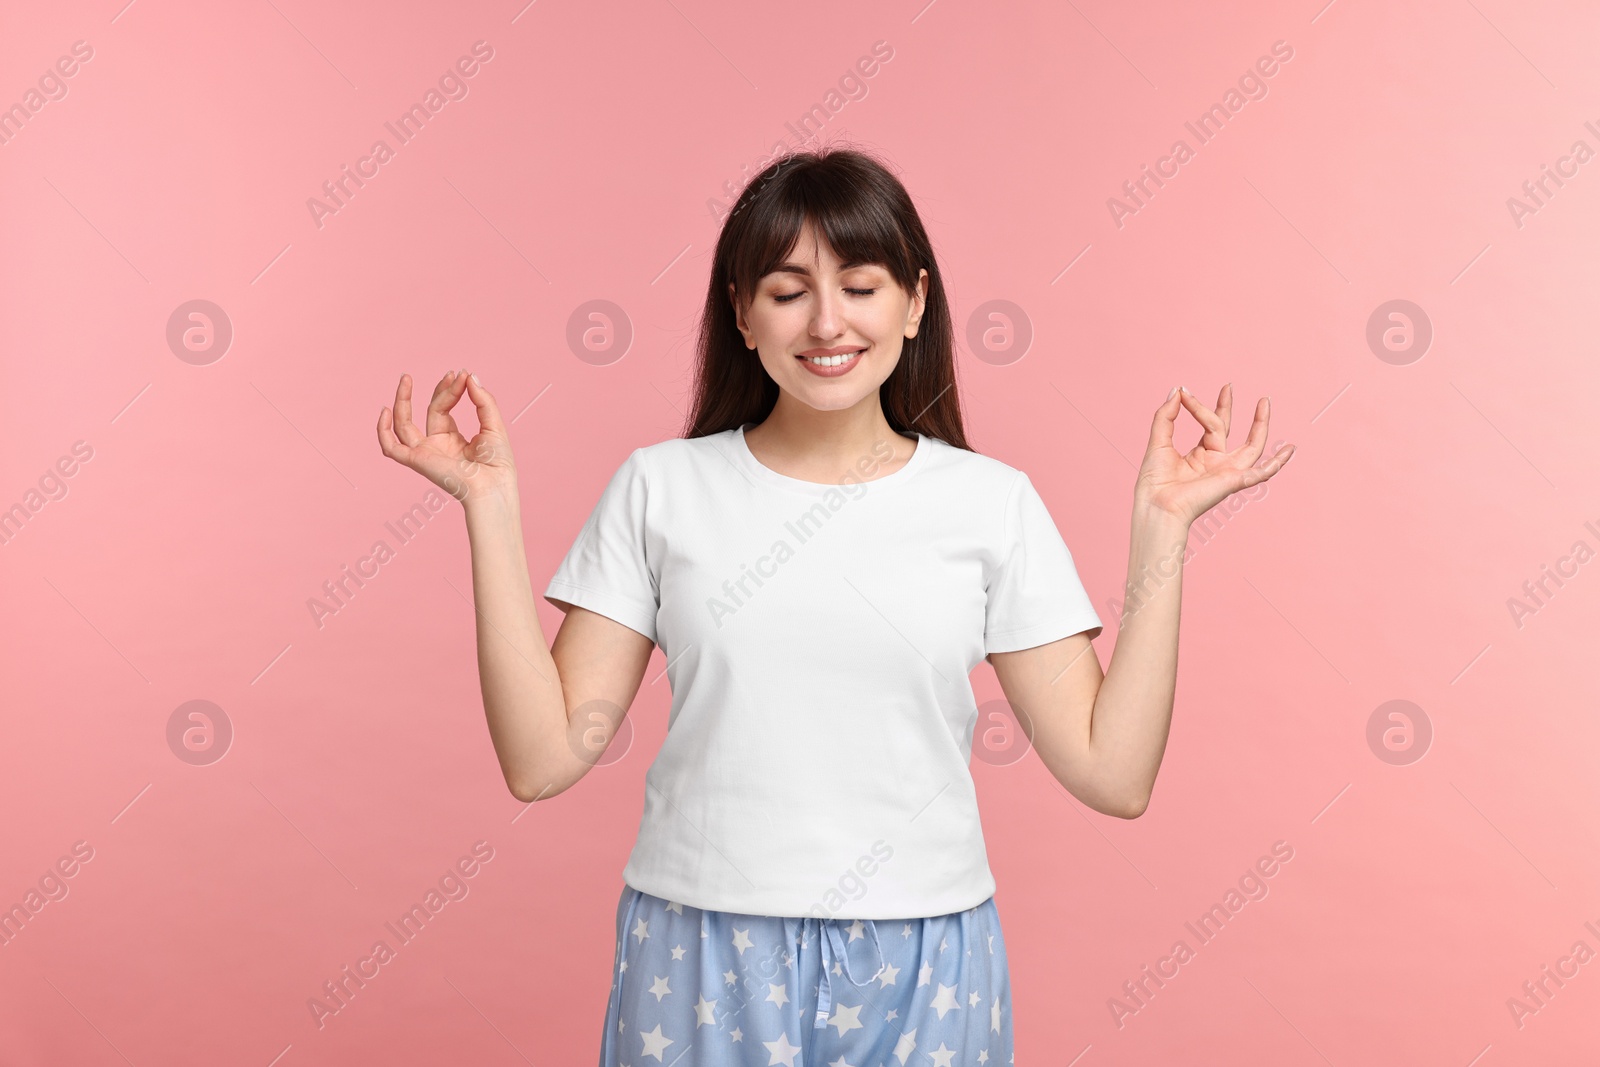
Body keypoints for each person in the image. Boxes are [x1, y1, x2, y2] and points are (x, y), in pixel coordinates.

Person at [376, 147, 1293, 1065]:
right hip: (700, 950)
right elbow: (540, 759)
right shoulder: (661, 489)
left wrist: (1164, 526)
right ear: (740, 311)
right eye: (786, 291)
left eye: (860, 285)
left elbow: (1113, 772)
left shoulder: (989, 502)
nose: (827, 322)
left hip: (924, 955)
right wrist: (487, 508)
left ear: (916, 302)